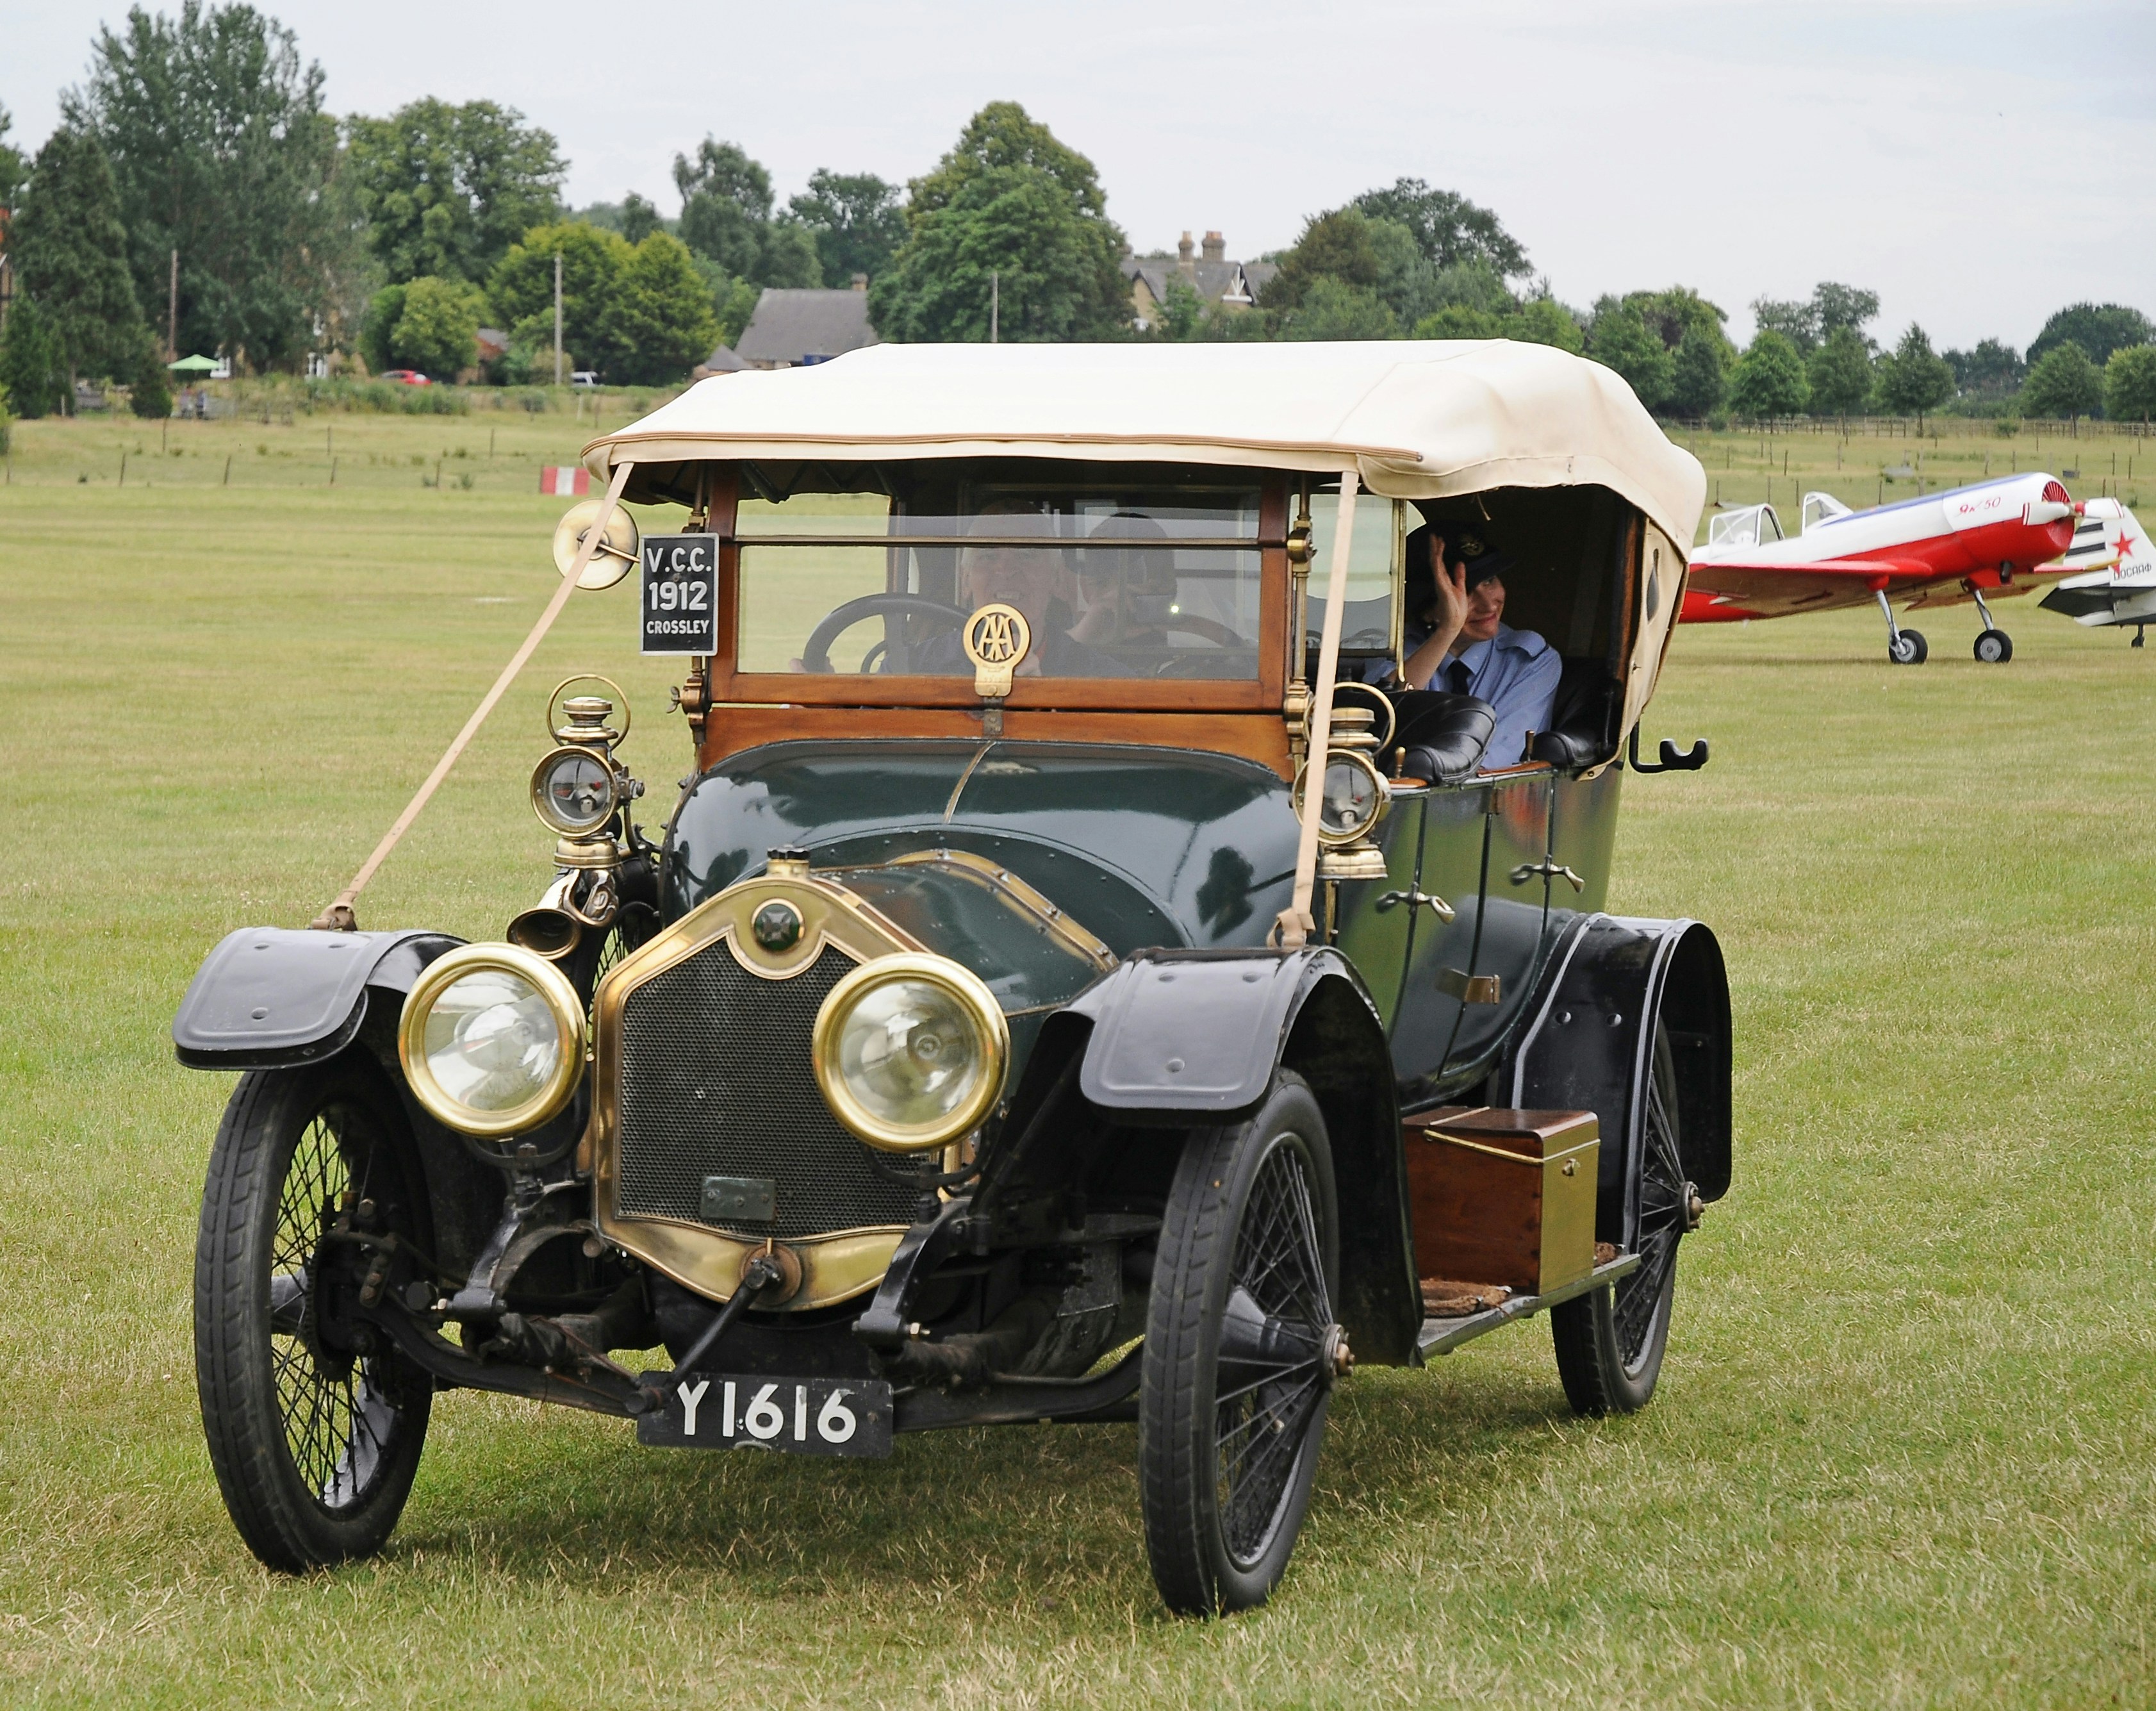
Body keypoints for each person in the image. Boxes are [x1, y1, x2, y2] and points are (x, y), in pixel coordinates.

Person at [1388, 523, 1559, 770]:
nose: (1489, 605)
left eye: (1490, 580)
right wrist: (1448, 630)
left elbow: (1496, 756)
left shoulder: (1529, 660)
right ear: (1427, 611)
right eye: (1465, 592)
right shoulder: (1394, 650)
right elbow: (1386, 717)